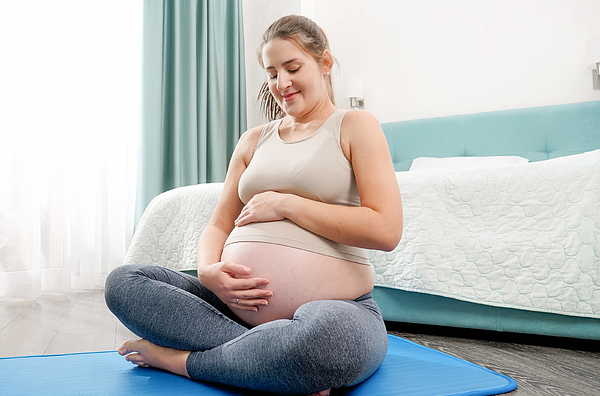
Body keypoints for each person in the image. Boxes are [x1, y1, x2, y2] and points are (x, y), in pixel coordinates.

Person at [105, 14, 402, 396]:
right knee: (124, 283)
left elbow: (386, 229)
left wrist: (288, 204)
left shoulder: (355, 125)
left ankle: (180, 361)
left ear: (325, 64)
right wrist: (209, 270)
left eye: (293, 68)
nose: (282, 83)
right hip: (227, 310)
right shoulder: (253, 140)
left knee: (319, 340)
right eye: (272, 72)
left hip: (338, 310)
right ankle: (271, 360)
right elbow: (218, 226)